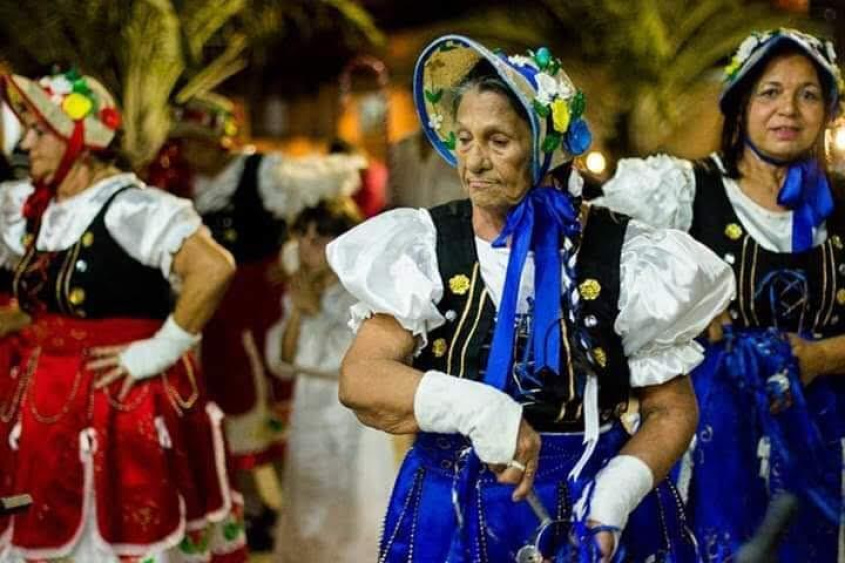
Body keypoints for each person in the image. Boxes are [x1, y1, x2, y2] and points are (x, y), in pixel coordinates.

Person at [327, 35, 735, 562]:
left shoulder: (623, 256)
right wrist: (479, 409)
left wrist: (615, 494)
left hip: (588, 504)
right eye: (464, 138)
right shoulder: (428, 247)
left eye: (498, 141)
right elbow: (361, 377)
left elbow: (672, 409)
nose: (472, 162)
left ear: (545, 146)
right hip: (454, 508)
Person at [597, 28, 845, 560]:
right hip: (709, 435)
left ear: (828, 110)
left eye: (808, 94)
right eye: (770, 91)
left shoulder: (839, 209)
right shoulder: (684, 194)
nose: (789, 110)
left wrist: (822, 356)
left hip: (822, 440)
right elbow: (601, 281)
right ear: (739, 107)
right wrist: (679, 317)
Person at [0, 70, 247, 561]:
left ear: (79, 139)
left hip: (122, 399)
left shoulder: (132, 208)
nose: (26, 144)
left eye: (38, 132)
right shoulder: (35, 208)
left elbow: (214, 268)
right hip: (46, 396)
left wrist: (162, 348)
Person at [168, 92, 365, 547]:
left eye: (197, 141)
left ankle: (299, 504)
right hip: (218, 316)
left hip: (263, 308)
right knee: (232, 409)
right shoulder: (183, 187)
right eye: (184, 143)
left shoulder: (265, 172)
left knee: (280, 406)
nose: (189, 152)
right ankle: (255, 509)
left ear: (222, 141)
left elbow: (331, 204)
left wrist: (292, 256)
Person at [264, 198, 395, 562]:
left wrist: (313, 311)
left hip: (351, 411)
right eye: (303, 236)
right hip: (309, 407)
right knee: (309, 496)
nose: (308, 245)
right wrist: (299, 310)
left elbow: (349, 357)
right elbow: (283, 360)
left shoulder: (360, 290)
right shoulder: (301, 288)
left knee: (352, 499)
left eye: (319, 237)